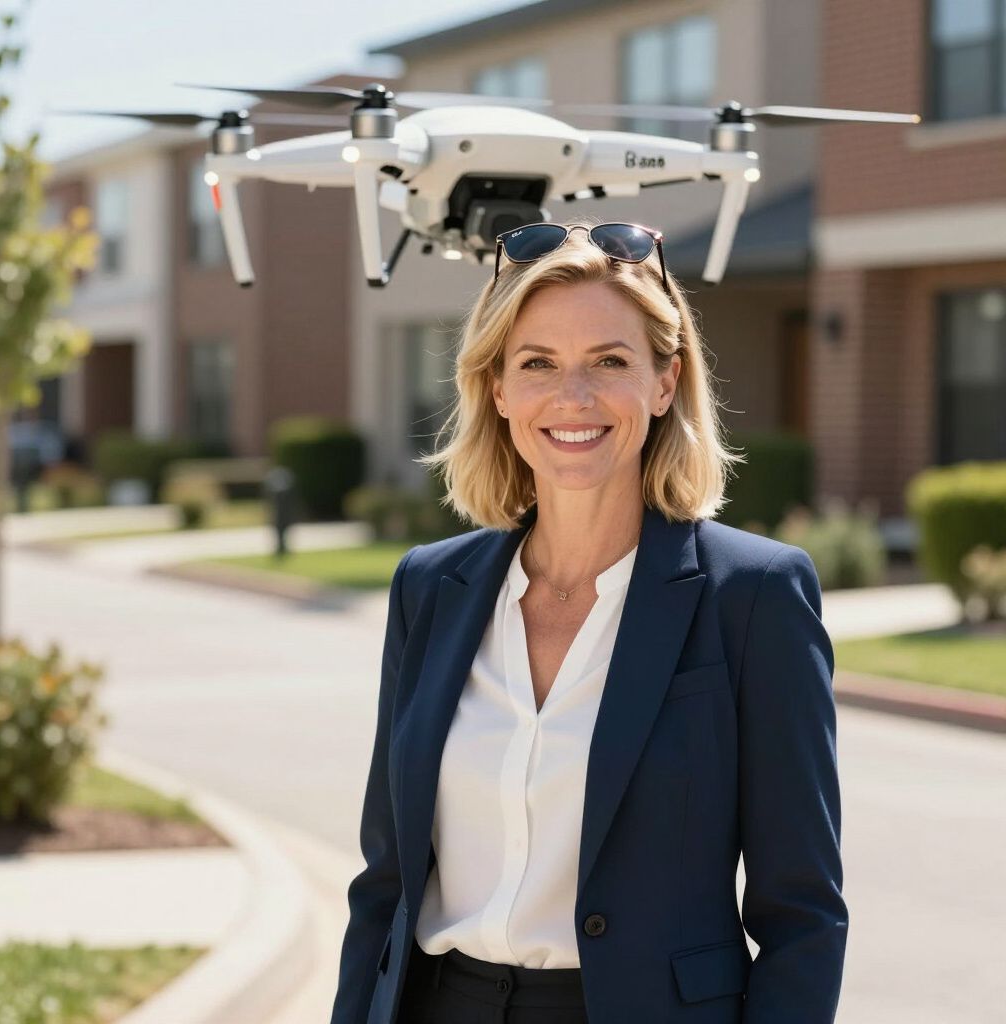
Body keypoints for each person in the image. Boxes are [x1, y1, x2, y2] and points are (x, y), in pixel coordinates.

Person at [329, 218, 848, 1024]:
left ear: (665, 382)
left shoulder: (754, 597)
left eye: (610, 361)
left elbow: (804, 917)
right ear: (497, 388)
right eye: (538, 364)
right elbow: (386, 881)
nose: (573, 398)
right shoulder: (430, 589)